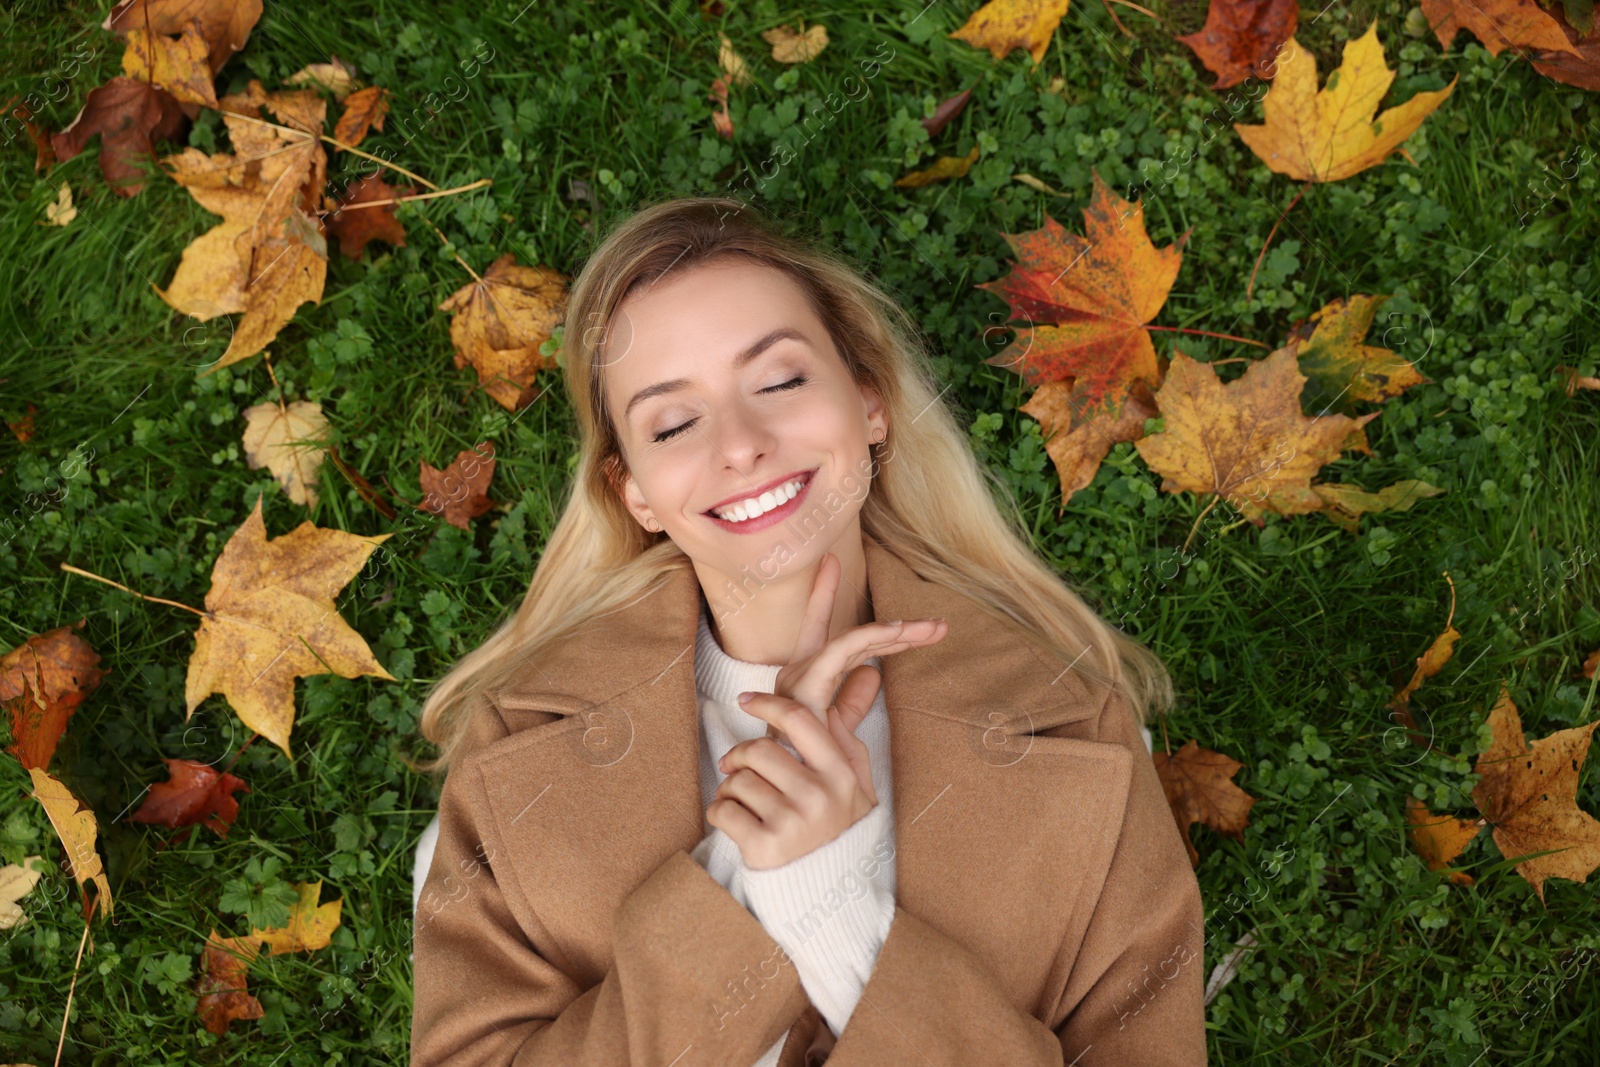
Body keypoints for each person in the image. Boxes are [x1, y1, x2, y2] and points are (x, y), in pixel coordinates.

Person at [408, 196, 1205, 1066]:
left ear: (870, 403)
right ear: (633, 490)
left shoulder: (1078, 730)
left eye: (780, 380)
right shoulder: (513, 759)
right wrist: (745, 886)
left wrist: (834, 901)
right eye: (673, 423)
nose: (742, 442)